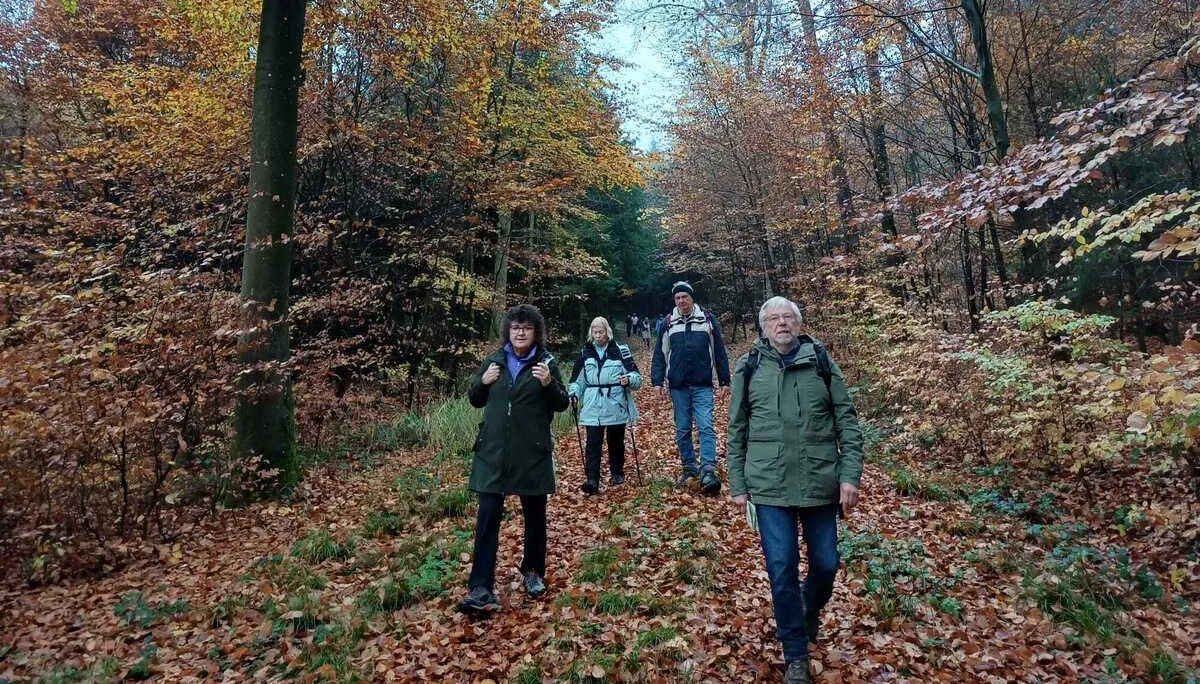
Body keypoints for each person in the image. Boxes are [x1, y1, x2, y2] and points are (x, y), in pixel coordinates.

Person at [726, 296, 864, 684]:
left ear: (799, 324)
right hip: (769, 486)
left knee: (826, 564)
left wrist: (850, 475)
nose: (782, 323)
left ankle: (808, 609)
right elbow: (736, 429)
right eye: (774, 318)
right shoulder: (749, 368)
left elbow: (847, 422)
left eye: (788, 317)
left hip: (821, 482)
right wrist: (737, 483)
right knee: (781, 568)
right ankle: (796, 653)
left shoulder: (821, 363)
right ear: (764, 327)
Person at [458, 304, 569, 615]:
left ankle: (533, 572)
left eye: (527, 328)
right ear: (508, 331)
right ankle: (480, 586)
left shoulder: (546, 363)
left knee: (534, 516)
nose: (520, 332)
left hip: (531, 452)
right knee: (488, 518)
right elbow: (474, 398)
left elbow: (561, 404)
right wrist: (483, 382)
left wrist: (548, 384)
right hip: (493, 453)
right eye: (516, 327)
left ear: (536, 333)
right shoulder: (493, 362)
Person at [651, 281, 731, 494]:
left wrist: (724, 380)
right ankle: (689, 468)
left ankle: (708, 470)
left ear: (691, 298)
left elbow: (719, 351)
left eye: (684, 297)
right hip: (678, 386)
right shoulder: (668, 323)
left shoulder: (707, 320)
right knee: (683, 429)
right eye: (677, 298)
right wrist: (657, 381)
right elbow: (660, 353)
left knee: (706, 426)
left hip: (702, 384)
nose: (681, 301)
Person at [568, 317, 641, 494]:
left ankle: (617, 472)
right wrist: (574, 393)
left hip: (616, 401)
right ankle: (592, 478)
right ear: (591, 333)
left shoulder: (621, 351)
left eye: (601, 332)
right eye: (595, 332)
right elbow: (577, 380)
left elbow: (637, 378)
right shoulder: (585, 352)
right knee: (593, 442)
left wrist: (628, 379)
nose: (598, 335)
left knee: (615, 440)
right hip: (593, 403)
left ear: (607, 332)